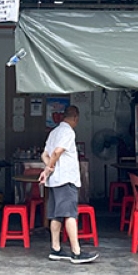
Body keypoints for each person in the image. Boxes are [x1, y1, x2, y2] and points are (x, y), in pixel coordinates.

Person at [39, 105, 97, 264]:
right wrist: (50, 167)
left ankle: (56, 249)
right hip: (66, 179)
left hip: (55, 181)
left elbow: (45, 154)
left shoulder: (54, 132)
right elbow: (57, 152)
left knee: (56, 215)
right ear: (76, 118)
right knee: (70, 214)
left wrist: (49, 168)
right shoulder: (68, 132)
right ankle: (76, 252)